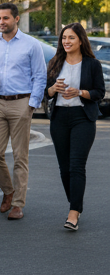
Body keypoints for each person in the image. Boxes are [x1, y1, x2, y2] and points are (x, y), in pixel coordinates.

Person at [0, 2, 47, 220]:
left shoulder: (31, 45)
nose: (1, 22)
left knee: (20, 156)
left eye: (5, 18)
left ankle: (17, 204)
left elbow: (40, 75)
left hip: (21, 102)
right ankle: (8, 190)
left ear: (16, 19)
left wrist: (32, 104)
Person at [46, 22, 105, 230]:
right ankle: (77, 204)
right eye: (64, 38)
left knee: (76, 165)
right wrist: (53, 89)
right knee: (64, 169)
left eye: (71, 38)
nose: (66, 41)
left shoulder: (92, 64)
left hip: (82, 117)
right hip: (60, 117)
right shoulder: (55, 62)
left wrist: (79, 92)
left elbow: (99, 93)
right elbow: (46, 92)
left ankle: (73, 214)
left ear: (81, 40)